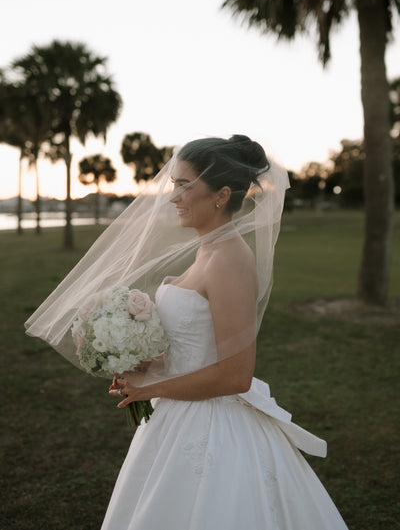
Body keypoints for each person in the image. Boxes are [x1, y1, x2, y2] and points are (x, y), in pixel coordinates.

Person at [98, 136, 349, 530]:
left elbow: (235, 375)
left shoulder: (229, 259)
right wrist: (147, 365)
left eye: (184, 185)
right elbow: (200, 344)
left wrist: (151, 388)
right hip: (178, 415)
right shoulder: (206, 251)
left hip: (214, 424)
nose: (173, 196)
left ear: (221, 195)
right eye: (174, 184)